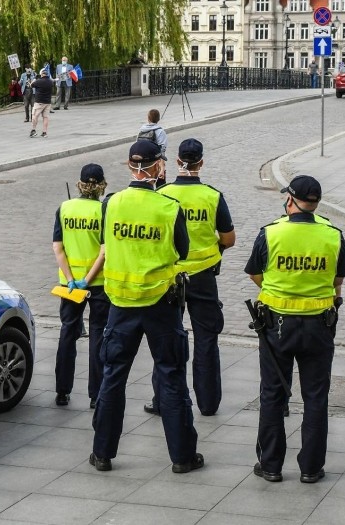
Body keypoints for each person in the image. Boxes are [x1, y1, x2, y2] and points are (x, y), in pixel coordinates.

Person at [90, 139, 202, 475]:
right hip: (160, 303)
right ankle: (182, 457)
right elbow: (181, 251)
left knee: (113, 377)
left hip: (120, 302)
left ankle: (102, 453)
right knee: (170, 377)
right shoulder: (169, 207)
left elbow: (105, 243)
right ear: (157, 167)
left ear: (130, 166)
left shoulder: (111, 203)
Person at [245, 175, 345, 484]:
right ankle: (311, 467)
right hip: (319, 326)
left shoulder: (271, 233)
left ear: (289, 200)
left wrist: (277, 290)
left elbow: (254, 272)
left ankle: (271, 465)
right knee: (316, 397)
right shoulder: (333, 234)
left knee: (272, 394)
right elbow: (338, 280)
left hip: (277, 325)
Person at [143, 138, 235, 417]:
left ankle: (163, 400)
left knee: (168, 338)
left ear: (178, 160)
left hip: (170, 278)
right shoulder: (212, 196)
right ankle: (208, 403)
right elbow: (229, 239)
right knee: (206, 340)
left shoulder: (163, 193)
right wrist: (214, 248)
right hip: (204, 278)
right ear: (201, 162)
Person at [52, 164, 111, 409]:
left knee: (68, 333)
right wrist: (88, 278)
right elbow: (104, 251)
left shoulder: (65, 208)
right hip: (97, 284)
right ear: (101, 186)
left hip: (69, 285)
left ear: (79, 184)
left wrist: (71, 277)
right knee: (97, 334)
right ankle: (95, 395)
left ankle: (62, 392)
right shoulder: (104, 210)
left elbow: (57, 247)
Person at [30, 69, 53, 138]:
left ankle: (33, 130)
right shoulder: (51, 82)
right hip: (48, 102)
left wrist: (33, 80)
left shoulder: (38, 81)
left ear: (42, 74)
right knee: (45, 117)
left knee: (35, 116)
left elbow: (31, 85)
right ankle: (44, 132)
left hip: (39, 102)